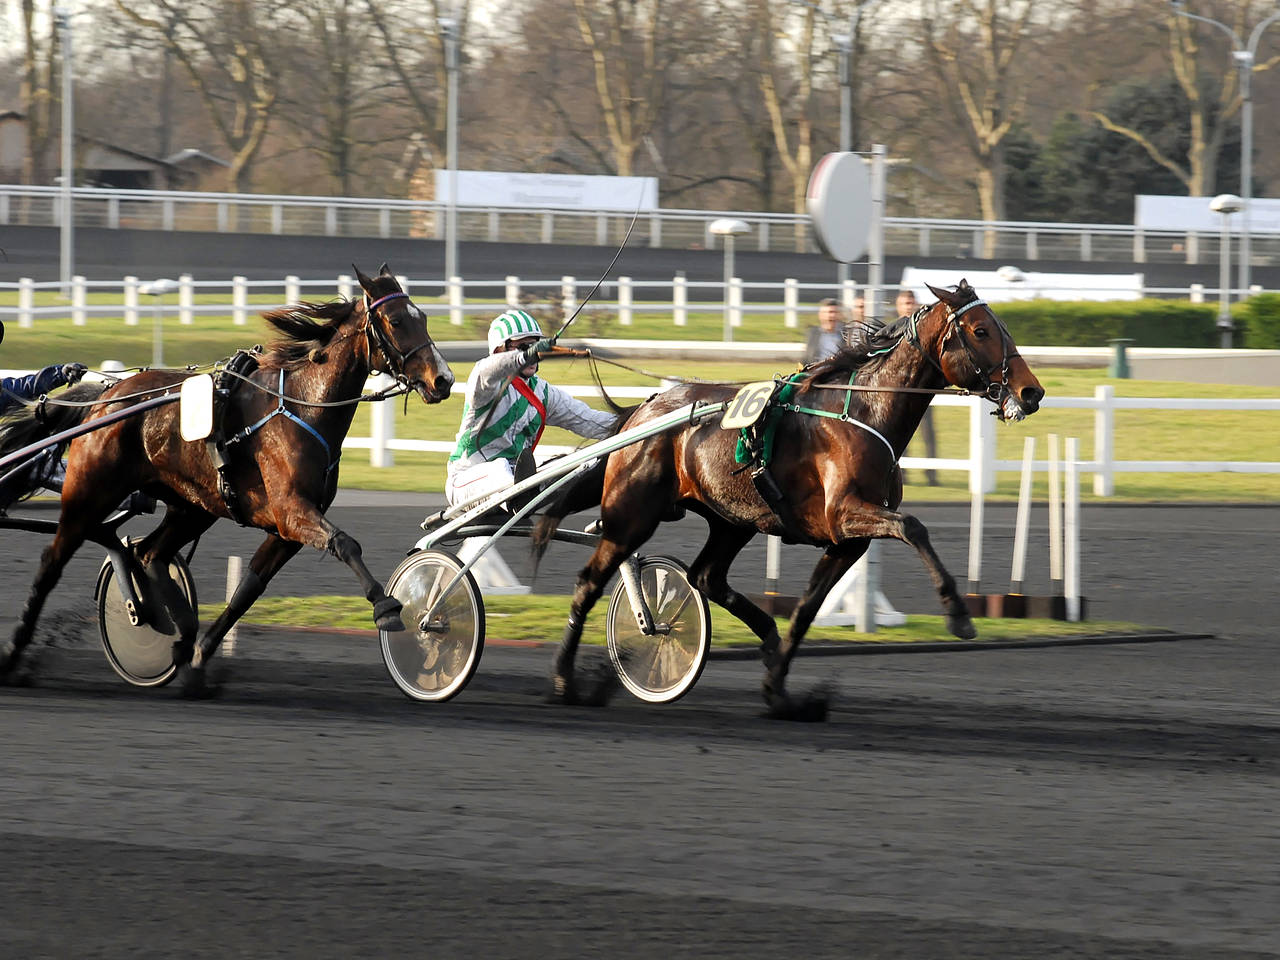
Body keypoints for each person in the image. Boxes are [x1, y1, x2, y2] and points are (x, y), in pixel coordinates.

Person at [446, 309, 618, 509]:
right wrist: (523, 356)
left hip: (515, 480)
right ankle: (518, 498)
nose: (534, 353)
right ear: (499, 350)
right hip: (466, 484)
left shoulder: (544, 393)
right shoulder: (484, 383)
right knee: (501, 468)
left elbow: (593, 422)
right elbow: (485, 369)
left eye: (536, 345)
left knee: (576, 464)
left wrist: (644, 417)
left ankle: (525, 500)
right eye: (523, 346)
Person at [895, 289, 939, 486]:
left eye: (911, 302)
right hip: (900, 393)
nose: (908, 306)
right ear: (898, 305)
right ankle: (900, 474)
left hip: (921, 390)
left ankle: (932, 474)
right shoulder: (894, 328)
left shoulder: (923, 328)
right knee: (901, 433)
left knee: (928, 433)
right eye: (905, 303)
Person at [804, 298, 846, 363]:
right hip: (816, 370)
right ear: (820, 315)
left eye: (835, 312)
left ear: (840, 315)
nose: (832, 315)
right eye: (828, 312)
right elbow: (807, 358)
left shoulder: (847, 335)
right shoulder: (813, 333)